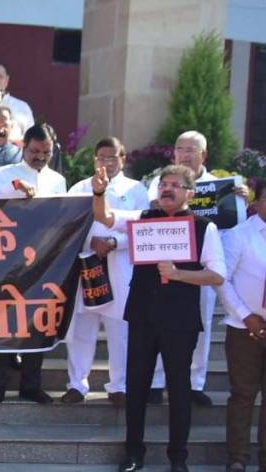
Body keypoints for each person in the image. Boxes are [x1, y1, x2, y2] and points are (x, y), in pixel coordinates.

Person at [91, 164, 225, 472]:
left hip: (180, 321)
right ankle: (133, 454)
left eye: (176, 185)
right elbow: (105, 217)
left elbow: (217, 275)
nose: (167, 188)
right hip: (143, 316)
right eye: (164, 183)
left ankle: (178, 459)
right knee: (136, 388)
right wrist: (99, 192)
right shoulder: (144, 219)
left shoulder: (205, 227)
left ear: (190, 193)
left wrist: (179, 274)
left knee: (179, 390)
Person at [145, 130, 237, 406]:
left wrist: (239, 196)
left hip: (202, 267)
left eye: (190, 149)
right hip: (165, 265)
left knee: (202, 325)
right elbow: (150, 209)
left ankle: (194, 384)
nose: (184, 154)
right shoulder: (161, 182)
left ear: (203, 155)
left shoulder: (220, 187)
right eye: (179, 148)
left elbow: (232, 223)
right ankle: (157, 382)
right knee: (159, 325)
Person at [0, 123, 66, 404]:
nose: (40, 157)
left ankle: (31, 384)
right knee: (4, 323)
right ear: (23, 148)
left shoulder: (57, 180)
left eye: (46, 152)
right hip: (7, 261)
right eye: (34, 151)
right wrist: (15, 189)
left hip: (43, 261)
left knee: (38, 322)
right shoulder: (4, 174)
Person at [62, 138, 148, 407]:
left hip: (121, 265)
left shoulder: (136, 189)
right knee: (81, 330)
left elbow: (145, 228)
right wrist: (91, 243)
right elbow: (67, 227)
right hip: (86, 265)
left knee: (120, 330)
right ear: (94, 160)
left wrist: (114, 243)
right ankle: (77, 384)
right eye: (101, 158)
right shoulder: (79, 188)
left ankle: (119, 386)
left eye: (112, 157)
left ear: (123, 159)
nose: (106, 163)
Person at [219, 179, 266, 472]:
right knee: (243, 395)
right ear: (257, 203)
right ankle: (237, 458)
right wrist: (245, 315)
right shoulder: (238, 235)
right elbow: (221, 280)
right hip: (244, 328)